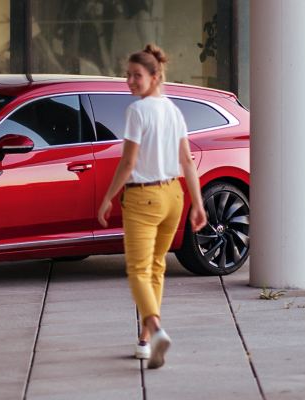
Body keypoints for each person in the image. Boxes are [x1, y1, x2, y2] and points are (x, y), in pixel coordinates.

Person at [96, 44, 207, 369]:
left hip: (144, 199)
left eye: (137, 76)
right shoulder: (173, 110)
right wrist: (197, 205)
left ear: (155, 77)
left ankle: (156, 330)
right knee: (156, 267)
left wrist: (108, 197)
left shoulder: (137, 111)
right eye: (128, 75)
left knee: (138, 271)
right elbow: (187, 161)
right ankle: (145, 341)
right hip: (174, 196)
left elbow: (128, 162)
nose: (130, 81)